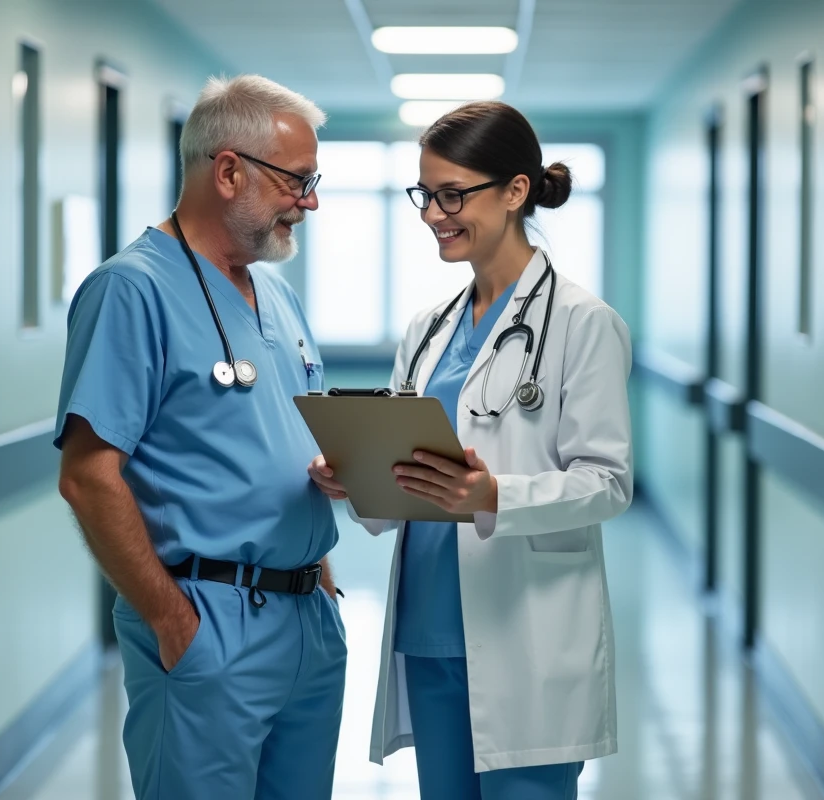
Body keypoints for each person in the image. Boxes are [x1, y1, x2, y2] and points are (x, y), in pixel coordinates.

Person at [309, 100, 634, 799]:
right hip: (430, 630)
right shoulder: (428, 330)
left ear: (516, 191)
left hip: (527, 632)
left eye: (453, 194)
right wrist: (356, 474)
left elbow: (607, 481)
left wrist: (495, 495)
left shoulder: (583, 323)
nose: (433, 213)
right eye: (425, 195)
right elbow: (405, 480)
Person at [56, 74, 346, 800]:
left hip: (308, 619)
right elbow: (89, 475)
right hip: (209, 622)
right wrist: (169, 617)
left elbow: (284, 437)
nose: (308, 202)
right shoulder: (132, 289)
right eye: (296, 182)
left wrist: (323, 574)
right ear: (227, 171)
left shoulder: (275, 292)